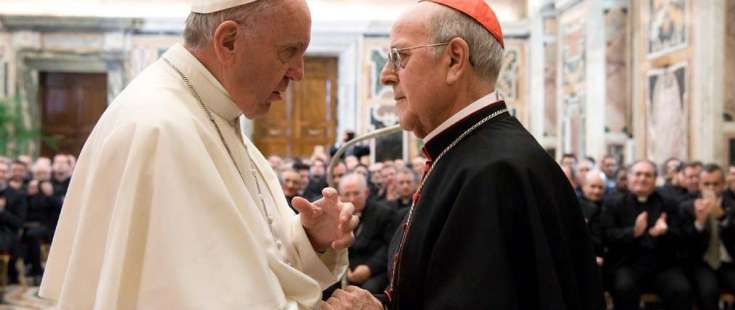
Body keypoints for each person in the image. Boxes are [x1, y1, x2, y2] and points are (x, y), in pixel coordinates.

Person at [40, 1, 359, 308]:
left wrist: (310, 240)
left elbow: (256, 257)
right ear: (229, 41)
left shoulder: (211, 112)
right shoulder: (161, 128)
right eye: (288, 51)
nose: (298, 72)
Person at [324, 0, 603, 308]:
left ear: (455, 59)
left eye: (399, 57)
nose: (386, 76)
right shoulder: (466, 153)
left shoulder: (494, 173)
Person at [600, 160, 692, 310]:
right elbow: (607, 234)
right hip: (627, 264)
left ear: (655, 180)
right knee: (624, 288)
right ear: (629, 178)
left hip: (662, 265)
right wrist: (633, 232)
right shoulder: (613, 203)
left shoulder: (669, 203)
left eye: (648, 175)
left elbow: (682, 236)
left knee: (680, 289)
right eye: (638, 174)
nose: (642, 179)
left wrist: (666, 231)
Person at [679, 164, 735, 310]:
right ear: (699, 185)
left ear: (723, 185)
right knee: (708, 293)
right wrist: (699, 223)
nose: (711, 188)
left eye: (715, 184)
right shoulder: (687, 207)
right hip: (702, 263)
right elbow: (685, 244)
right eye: (706, 184)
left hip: (729, 262)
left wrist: (722, 217)